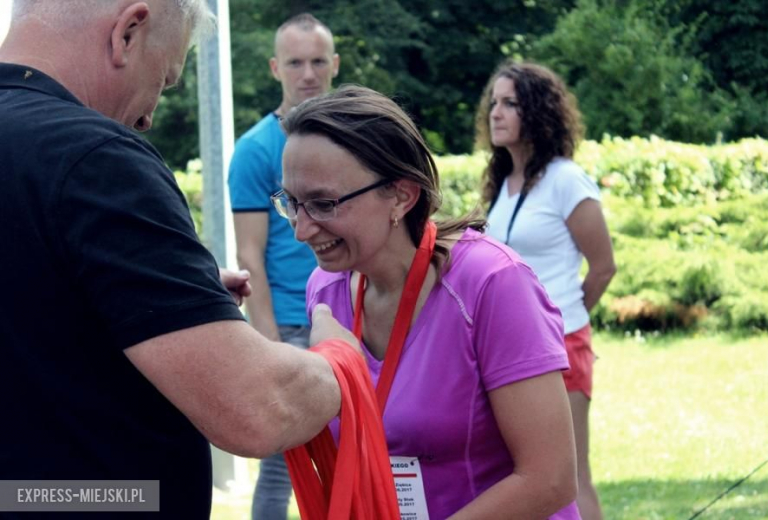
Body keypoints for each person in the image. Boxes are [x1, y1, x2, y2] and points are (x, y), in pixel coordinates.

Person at [0, 2, 356, 518]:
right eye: (164, 81)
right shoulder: (93, 159)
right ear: (128, 32)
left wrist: (162, 298)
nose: (147, 118)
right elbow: (256, 408)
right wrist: (341, 356)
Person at [274, 85, 581, 519]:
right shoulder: (325, 290)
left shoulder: (493, 284)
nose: (302, 230)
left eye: (323, 204)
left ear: (401, 195)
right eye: (292, 203)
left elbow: (550, 479)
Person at [477, 60, 617, 520]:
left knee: (571, 477)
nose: (496, 113)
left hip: (561, 346)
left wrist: (562, 320)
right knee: (521, 475)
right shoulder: (503, 184)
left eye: (510, 104)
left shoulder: (566, 180)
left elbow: (602, 268)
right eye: (494, 102)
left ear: (537, 113)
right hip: (509, 353)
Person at [227, 13, 339, 520]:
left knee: (363, 451)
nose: (308, 73)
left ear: (335, 64)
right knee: (282, 466)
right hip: (292, 323)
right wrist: (269, 343)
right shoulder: (254, 151)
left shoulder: (353, 138)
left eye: (318, 61)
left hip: (354, 316)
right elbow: (250, 255)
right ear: (276, 68)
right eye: (296, 62)